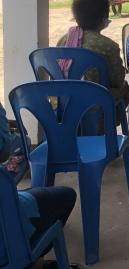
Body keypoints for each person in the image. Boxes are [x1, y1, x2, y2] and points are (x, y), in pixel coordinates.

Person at [1, 102, 78, 267]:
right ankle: (32, 261)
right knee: (66, 195)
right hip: (5, 244)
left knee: (22, 144)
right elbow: (3, 148)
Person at [56, 0, 129, 105]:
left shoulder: (63, 41)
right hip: (96, 102)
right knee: (124, 89)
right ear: (103, 19)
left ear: (76, 18)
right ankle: (107, 121)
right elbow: (117, 80)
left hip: (63, 100)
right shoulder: (108, 46)